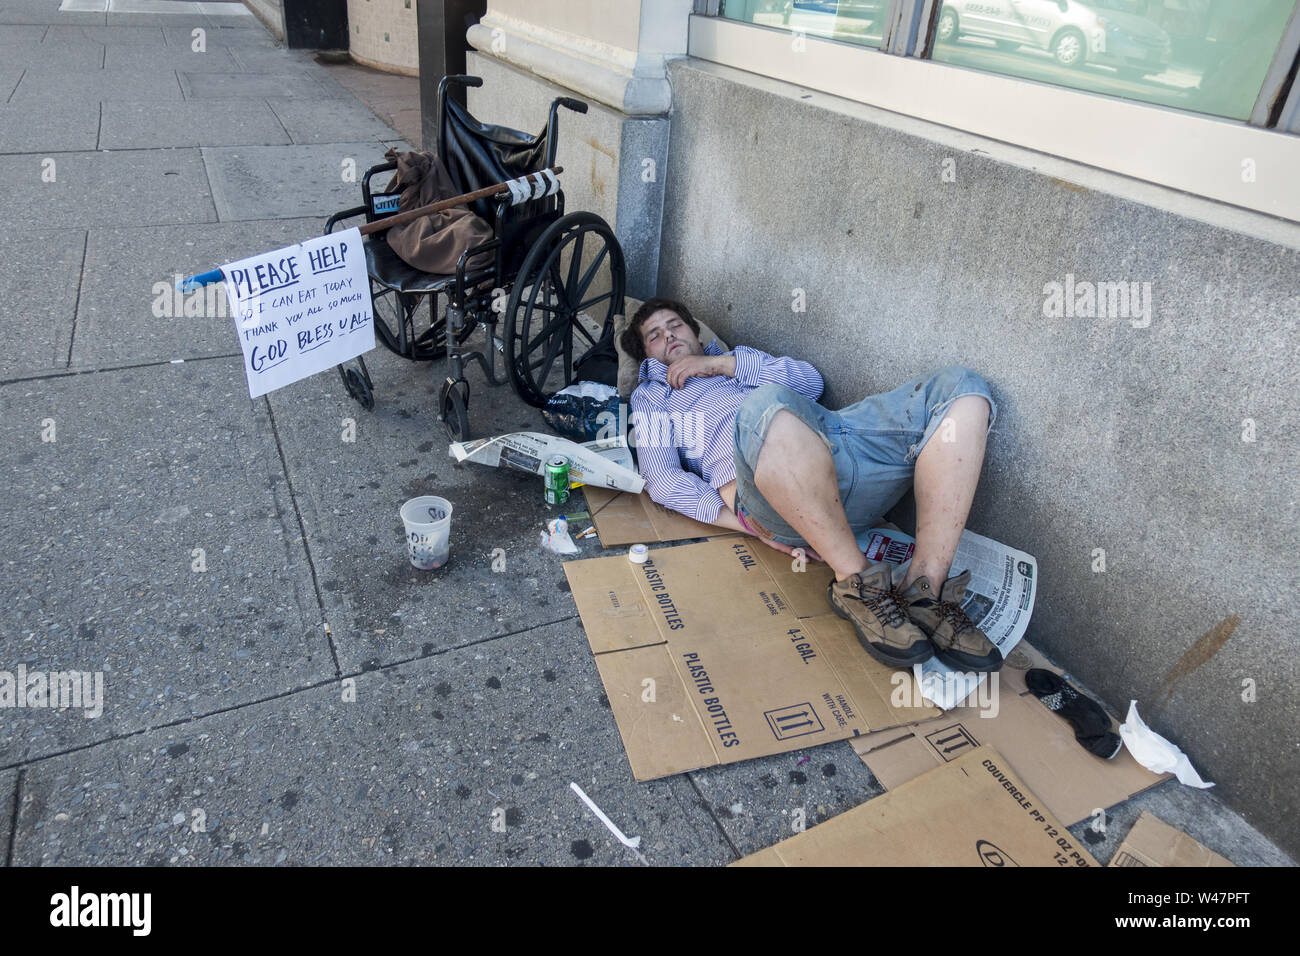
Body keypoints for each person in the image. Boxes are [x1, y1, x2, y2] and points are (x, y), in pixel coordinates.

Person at [621, 297, 1003, 673]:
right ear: (648, 356)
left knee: (961, 387)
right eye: (655, 335)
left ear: (695, 332)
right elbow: (664, 480)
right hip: (777, 496)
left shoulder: (738, 362)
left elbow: (810, 382)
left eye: (675, 325)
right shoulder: (653, 397)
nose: (669, 335)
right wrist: (746, 525)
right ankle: (858, 582)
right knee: (764, 407)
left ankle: (925, 588)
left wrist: (723, 364)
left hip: (838, 452)